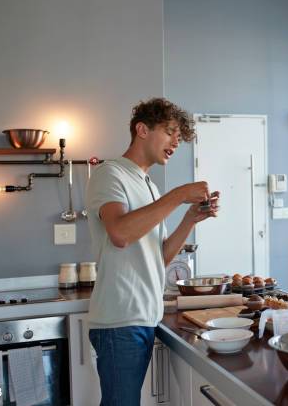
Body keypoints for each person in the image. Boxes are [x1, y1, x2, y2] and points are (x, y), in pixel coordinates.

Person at [85, 97, 219, 405]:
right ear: (142, 130)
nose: (175, 142)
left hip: (143, 318)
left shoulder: (149, 187)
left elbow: (158, 258)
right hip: (120, 320)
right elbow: (119, 233)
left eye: (179, 137)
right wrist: (177, 195)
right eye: (170, 132)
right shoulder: (110, 173)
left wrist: (190, 218)